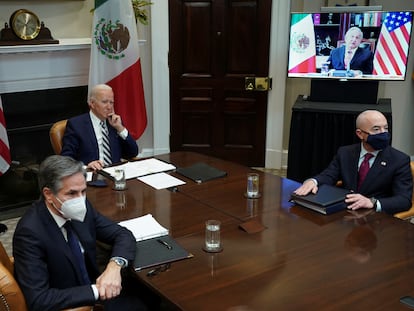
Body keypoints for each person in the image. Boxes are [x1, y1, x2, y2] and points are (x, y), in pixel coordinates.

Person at [12, 155, 150, 311]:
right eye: (71, 194)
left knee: (149, 292)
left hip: (97, 282)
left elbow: (122, 234)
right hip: (74, 302)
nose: (80, 200)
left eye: (83, 191)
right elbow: (39, 299)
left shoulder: (81, 208)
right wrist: (99, 290)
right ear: (49, 194)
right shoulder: (29, 233)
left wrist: (114, 266)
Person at [293, 110, 413, 215]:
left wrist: (373, 202)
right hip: (344, 214)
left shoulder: (399, 160)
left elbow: (404, 200)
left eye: (385, 128)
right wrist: (314, 181)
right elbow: (330, 175)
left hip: (376, 219)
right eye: (376, 129)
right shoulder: (345, 152)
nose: (383, 133)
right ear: (360, 134)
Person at [61, 84, 139, 171]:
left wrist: (120, 128)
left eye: (111, 102)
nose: (109, 107)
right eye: (105, 102)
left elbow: (132, 153)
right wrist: (86, 166)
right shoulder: (76, 125)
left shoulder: (114, 123)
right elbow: (66, 159)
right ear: (92, 103)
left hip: (115, 174)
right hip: (93, 174)